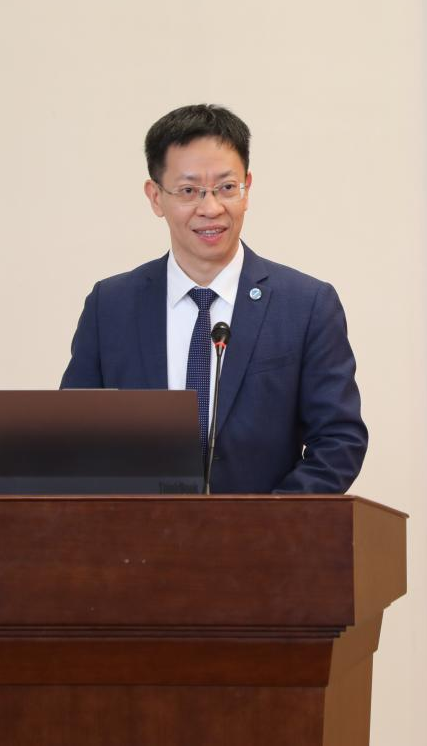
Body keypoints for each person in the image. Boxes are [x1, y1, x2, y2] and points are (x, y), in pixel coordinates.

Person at [60, 104, 367, 493]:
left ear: (247, 189)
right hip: (139, 530)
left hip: (264, 529)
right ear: (155, 197)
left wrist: (269, 520)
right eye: (189, 191)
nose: (211, 208)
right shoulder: (111, 306)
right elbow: (74, 439)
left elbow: (339, 441)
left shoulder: (305, 305)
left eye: (226, 188)